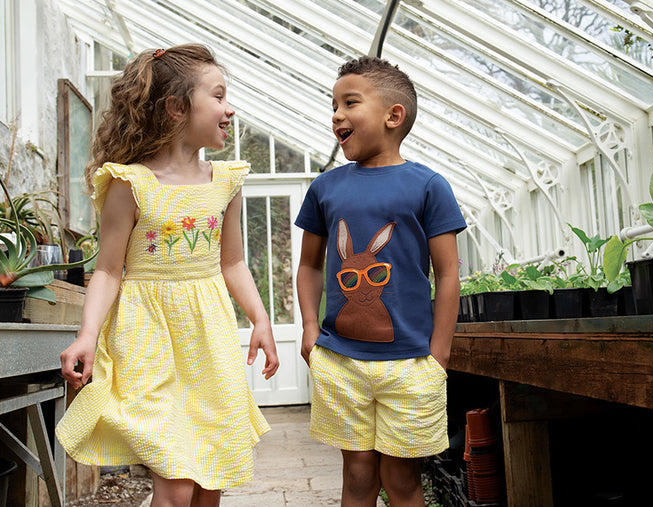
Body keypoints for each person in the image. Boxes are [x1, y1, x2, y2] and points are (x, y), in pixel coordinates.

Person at [56, 43, 278, 507]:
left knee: (209, 478)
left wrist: (260, 318)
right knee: (176, 483)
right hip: (147, 338)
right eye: (218, 96)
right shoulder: (129, 183)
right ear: (177, 107)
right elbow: (108, 273)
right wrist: (87, 336)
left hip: (208, 340)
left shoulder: (226, 182)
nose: (229, 108)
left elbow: (232, 262)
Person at [295, 56, 467, 507]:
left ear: (394, 116)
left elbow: (448, 272)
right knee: (356, 475)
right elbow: (310, 265)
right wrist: (311, 329)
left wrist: (440, 352)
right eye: (333, 104)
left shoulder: (429, 185)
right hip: (343, 360)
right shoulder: (325, 189)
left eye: (350, 102)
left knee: (403, 478)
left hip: (412, 363)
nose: (336, 114)